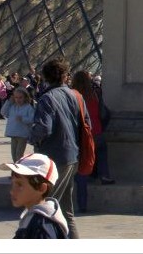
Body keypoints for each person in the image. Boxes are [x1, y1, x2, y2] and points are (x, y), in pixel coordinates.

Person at [29, 58, 89, 238]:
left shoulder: (47, 98)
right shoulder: (76, 95)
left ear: (45, 77)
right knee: (65, 209)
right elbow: (87, 123)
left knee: (45, 207)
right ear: (65, 76)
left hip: (53, 158)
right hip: (73, 156)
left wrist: (32, 137)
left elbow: (44, 128)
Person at [70, 70, 113, 213]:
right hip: (97, 130)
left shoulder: (74, 96)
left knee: (82, 168)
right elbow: (105, 113)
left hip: (83, 134)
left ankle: (82, 204)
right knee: (101, 154)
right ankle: (104, 175)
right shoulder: (95, 93)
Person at [0, 153, 69, 239]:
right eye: (12, 183)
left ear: (41, 188)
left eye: (19, 184)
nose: (12, 191)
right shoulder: (34, 218)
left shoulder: (42, 227)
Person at [1, 87, 36, 162]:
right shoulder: (12, 107)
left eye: (20, 97)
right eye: (16, 97)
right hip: (13, 133)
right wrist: (8, 102)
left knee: (19, 155)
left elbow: (32, 119)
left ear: (25, 97)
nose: (18, 99)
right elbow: (3, 112)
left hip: (22, 134)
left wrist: (23, 119)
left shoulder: (28, 107)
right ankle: (16, 169)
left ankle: (19, 170)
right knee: (14, 155)